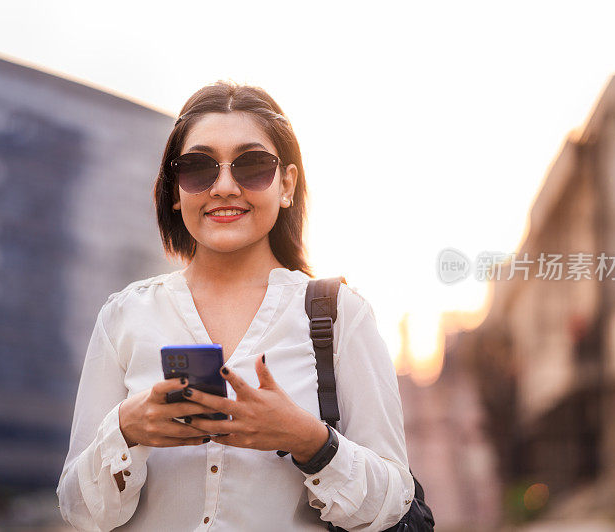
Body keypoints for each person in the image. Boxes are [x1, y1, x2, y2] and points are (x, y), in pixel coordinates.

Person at [56, 80, 415, 531]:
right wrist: (126, 431)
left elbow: (391, 504)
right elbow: (78, 513)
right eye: (198, 167)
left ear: (286, 184)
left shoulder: (341, 314)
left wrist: (309, 440)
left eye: (252, 166)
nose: (224, 186)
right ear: (174, 189)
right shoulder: (123, 317)